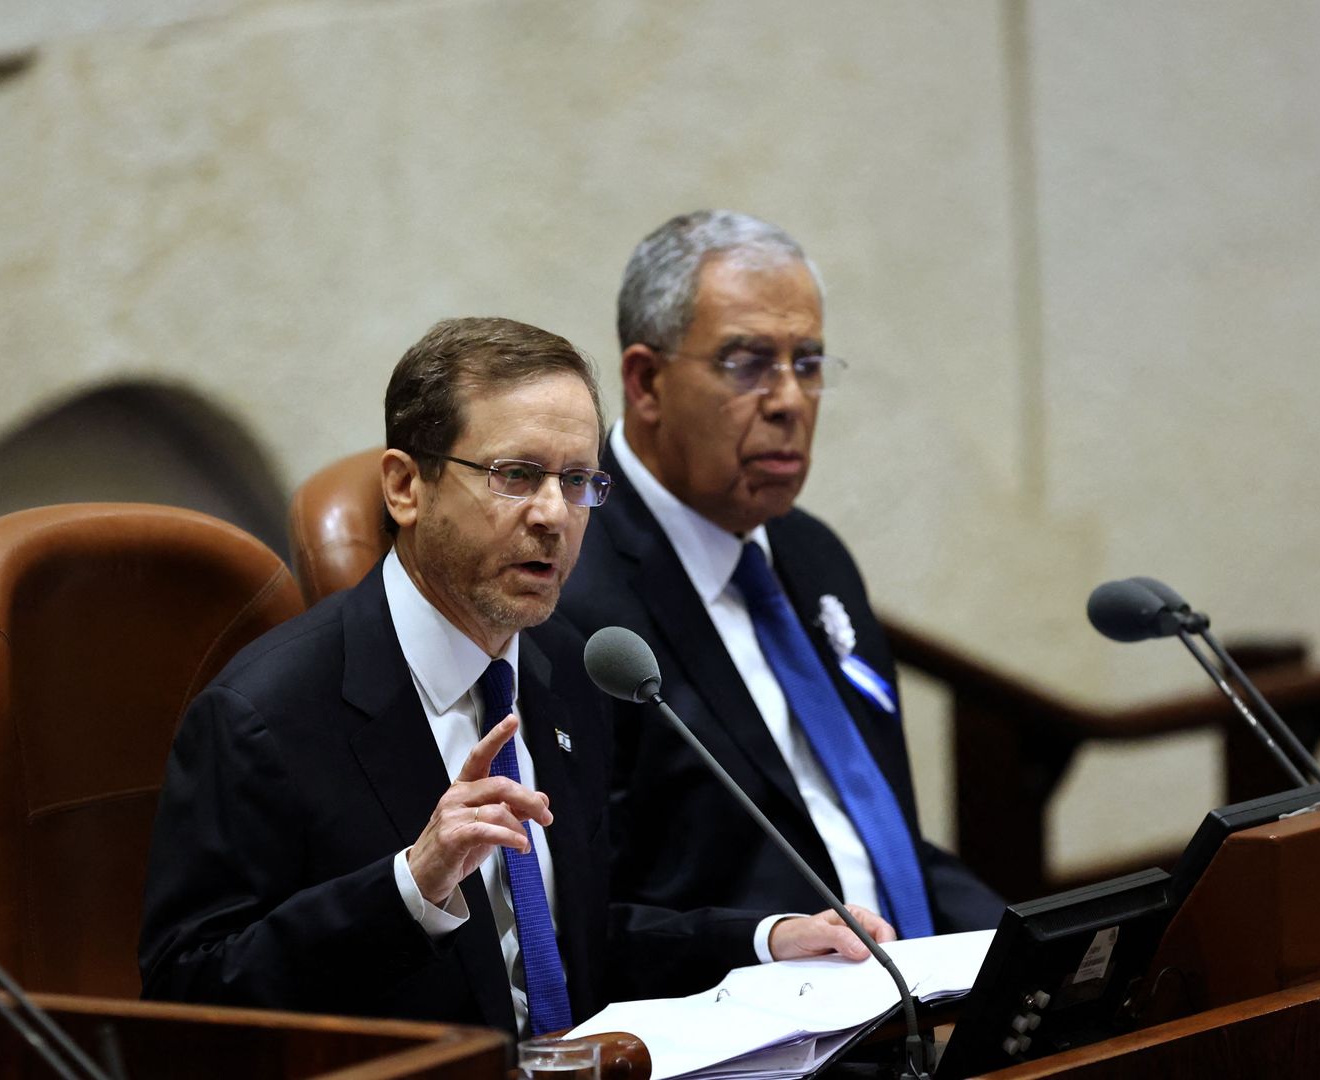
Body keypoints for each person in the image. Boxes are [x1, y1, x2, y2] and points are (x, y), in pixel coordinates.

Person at [138, 316, 892, 1036]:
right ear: (405, 487)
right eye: (516, 475)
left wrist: (769, 939)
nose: (552, 516)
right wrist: (413, 883)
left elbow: (581, 941)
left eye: (577, 482)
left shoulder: (570, 666)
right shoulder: (265, 714)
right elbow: (189, 992)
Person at [558, 211, 1005, 937]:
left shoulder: (810, 554)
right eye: (748, 363)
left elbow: (871, 839)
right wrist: (768, 945)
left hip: (908, 995)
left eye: (807, 363)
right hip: (759, 1023)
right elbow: (580, 918)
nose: (791, 401)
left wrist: (1013, 946)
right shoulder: (571, 591)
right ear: (646, 383)